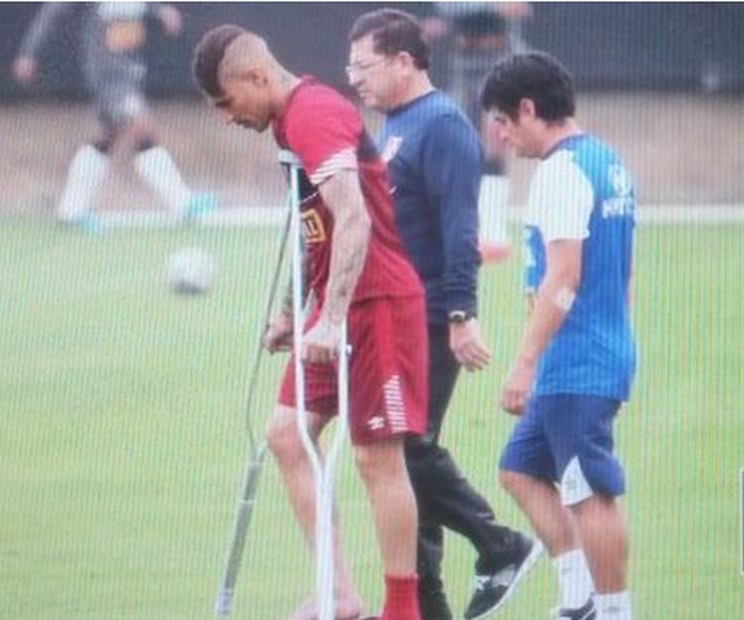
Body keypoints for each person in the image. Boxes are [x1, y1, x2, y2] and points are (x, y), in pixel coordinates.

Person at [193, 24, 430, 620]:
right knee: (285, 433)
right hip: (331, 306)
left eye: (226, 103)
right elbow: (315, 225)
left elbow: (354, 218)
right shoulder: (285, 124)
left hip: (376, 302)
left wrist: (331, 318)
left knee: (378, 457)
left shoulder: (315, 113)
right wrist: (292, 314)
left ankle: (402, 609)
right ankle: (339, 593)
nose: (225, 118)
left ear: (255, 77)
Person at [347, 10, 541, 620]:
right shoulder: (396, 124)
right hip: (394, 316)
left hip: (427, 315)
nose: (354, 78)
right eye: (350, 67)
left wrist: (461, 312)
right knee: (403, 458)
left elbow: (464, 229)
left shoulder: (443, 126)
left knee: (403, 448)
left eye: (364, 66)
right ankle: (428, 605)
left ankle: (501, 545)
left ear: (406, 61)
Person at [481, 52, 636, 620]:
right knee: (520, 469)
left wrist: (524, 363)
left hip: (576, 358)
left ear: (529, 108)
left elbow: (564, 275)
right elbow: (624, 268)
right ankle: (581, 598)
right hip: (592, 352)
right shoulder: (607, 161)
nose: (500, 133)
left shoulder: (561, 170)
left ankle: (615, 612)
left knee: (589, 492)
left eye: (503, 119)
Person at [12, 2, 216, 231]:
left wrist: (160, 11)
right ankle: (182, 203)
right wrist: (29, 52)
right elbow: (54, 10)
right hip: (109, 74)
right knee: (142, 129)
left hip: (128, 71)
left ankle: (71, 210)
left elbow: (136, 8)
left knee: (106, 137)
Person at [423, 2, 532, 263]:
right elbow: (451, 10)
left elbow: (518, 8)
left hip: (498, 63)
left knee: (494, 146)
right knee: (462, 145)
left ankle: (494, 236)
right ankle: (467, 230)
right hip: (464, 66)